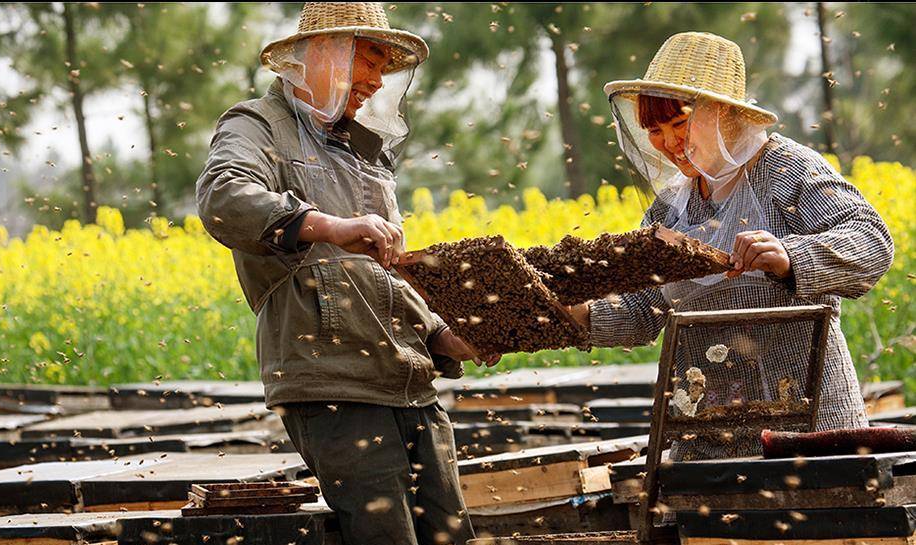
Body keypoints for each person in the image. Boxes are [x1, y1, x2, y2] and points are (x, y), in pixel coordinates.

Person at [195, 3, 498, 544]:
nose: (377, 82)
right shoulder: (258, 125)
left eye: (385, 69)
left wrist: (443, 337)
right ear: (323, 54)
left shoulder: (364, 152)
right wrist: (326, 225)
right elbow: (223, 197)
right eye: (369, 62)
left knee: (453, 537)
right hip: (333, 385)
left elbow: (387, 276)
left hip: (411, 385)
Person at [570, 32, 894, 461]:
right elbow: (642, 311)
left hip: (809, 425)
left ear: (721, 112)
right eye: (654, 130)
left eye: (679, 124)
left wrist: (791, 257)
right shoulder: (668, 208)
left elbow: (872, 241)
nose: (668, 143)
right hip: (708, 433)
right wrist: (575, 314)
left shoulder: (784, 169)